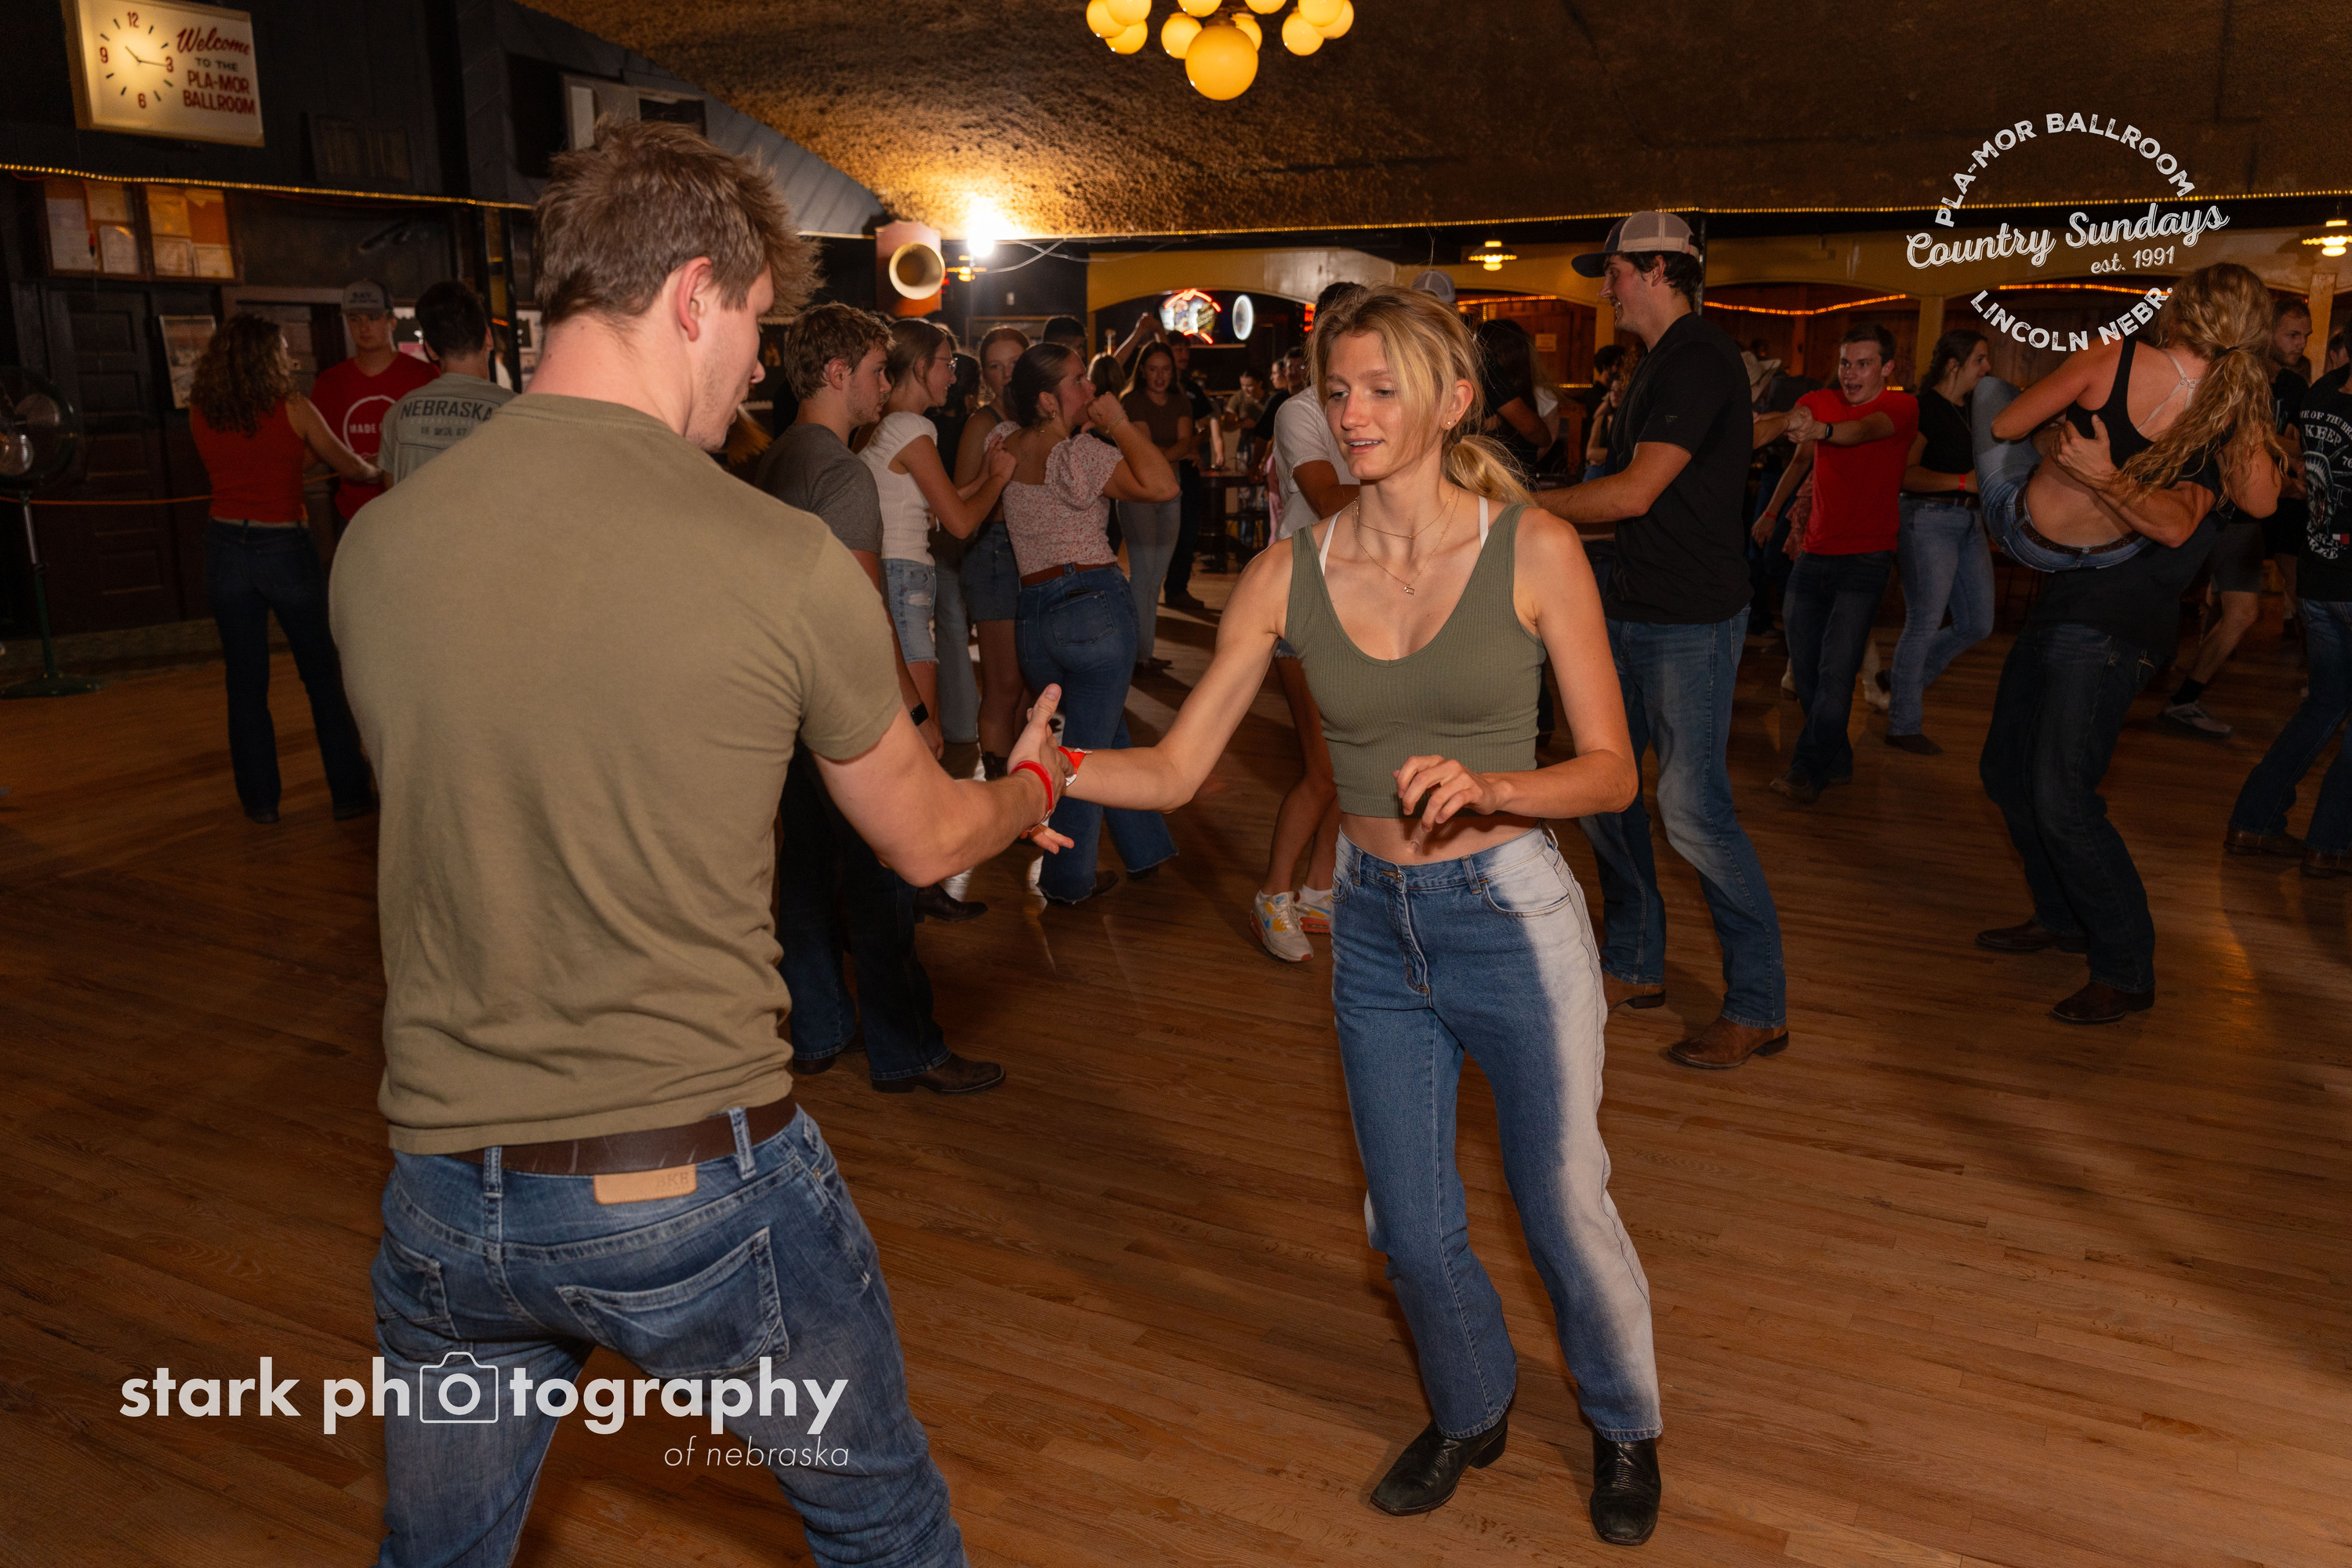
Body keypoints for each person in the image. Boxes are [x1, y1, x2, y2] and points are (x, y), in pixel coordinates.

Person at [332, 118, 1069, 1567]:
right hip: (691, 1192)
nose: (757, 369)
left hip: (446, 1194)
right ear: (692, 294)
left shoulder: (377, 549)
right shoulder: (779, 560)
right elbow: (925, 839)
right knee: (885, 1532)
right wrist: (1031, 787)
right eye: (755, 325)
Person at [1051, 285, 1664, 1547]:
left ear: (1454, 401)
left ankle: (1622, 1425)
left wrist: (1497, 785)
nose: (1353, 412)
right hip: (1372, 920)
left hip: (1511, 914)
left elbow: (1613, 773)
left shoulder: (1533, 548)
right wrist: (1041, 774)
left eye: (1383, 389)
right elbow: (1174, 770)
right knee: (1408, 1224)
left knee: (1560, 1202)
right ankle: (1471, 1406)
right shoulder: (1288, 574)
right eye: (1338, 390)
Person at [1973, 262, 2285, 1025]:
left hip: (2120, 620)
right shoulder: (2171, 390)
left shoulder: (2224, 417)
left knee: (2062, 795)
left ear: (2181, 313)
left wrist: (2106, 472)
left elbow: (2227, 510)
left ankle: (2124, 966)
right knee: (2005, 772)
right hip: (2069, 597)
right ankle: (2062, 915)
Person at [1536, 211, 1789, 1069]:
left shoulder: (1699, 357)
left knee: (1693, 812)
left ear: (1655, 270)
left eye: (1612, 272)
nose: (1604, 289)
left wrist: (1516, 509)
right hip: (1632, 606)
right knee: (1605, 791)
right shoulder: (1657, 363)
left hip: (1690, 621)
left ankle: (1758, 1005)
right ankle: (1636, 962)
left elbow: (1634, 493)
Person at [760, 302, 1005, 1091]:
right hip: (842, 702)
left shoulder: (776, 459)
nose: (882, 383)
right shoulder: (841, 473)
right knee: (881, 876)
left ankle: (820, 1029)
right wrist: (918, 715)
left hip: (786, 696)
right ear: (838, 374)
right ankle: (910, 1050)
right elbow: (868, 611)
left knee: (806, 871)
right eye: (873, 370)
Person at [986, 343, 1180, 904]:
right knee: (1086, 756)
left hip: (1033, 617)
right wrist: (1118, 422)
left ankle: (1146, 848)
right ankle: (1068, 880)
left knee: (1103, 731)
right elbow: (1163, 485)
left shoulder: (1004, 444)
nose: (1091, 389)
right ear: (1048, 400)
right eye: (1078, 380)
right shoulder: (1080, 454)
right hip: (1092, 607)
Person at [185, 312, 381, 825]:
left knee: (245, 683)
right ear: (268, 357)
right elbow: (349, 466)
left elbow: (255, 464)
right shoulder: (293, 406)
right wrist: (375, 467)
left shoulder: (202, 409)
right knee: (320, 676)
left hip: (224, 546)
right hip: (283, 547)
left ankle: (261, 803)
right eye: (283, 350)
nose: (289, 357)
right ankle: (348, 795)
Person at [1254, 279, 1367, 960]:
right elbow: (1326, 497)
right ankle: (1273, 894)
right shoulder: (1300, 411)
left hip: (1361, 595)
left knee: (1354, 766)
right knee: (1324, 768)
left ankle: (1320, 891)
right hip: (1303, 596)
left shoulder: (1377, 406)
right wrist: (1423, 489)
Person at [1762, 324, 1917, 803]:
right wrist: (1781, 425)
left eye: (1863, 364)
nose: (1850, 373)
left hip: (1867, 559)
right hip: (1813, 554)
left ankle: (1807, 770)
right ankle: (1837, 756)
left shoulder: (1901, 408)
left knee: (1836, 670)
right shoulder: (1821, 400)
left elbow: (1862, 431)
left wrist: (1821, 430)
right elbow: (1797, 424)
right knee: (1806, 670)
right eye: (1846, 363)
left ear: (1887, 368)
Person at [2154, 298, 2312, 739]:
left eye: (2305, 336)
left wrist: (2291, 463)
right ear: (2266, 332)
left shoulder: (2292, 386)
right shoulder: (2237, 375)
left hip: (2243, 515)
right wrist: (2287, 462)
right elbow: (2245, 439)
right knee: (2164, 595)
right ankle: (2134, 675)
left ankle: (2183, 699)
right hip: (2207, 505)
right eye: (2292, 334)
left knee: (2242, 613)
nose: (2300, 344)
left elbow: (2281, 445)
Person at [866, 319, 1016, 754]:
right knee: (922, 737)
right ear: (919, 366)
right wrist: (999, 480)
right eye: (947, 364)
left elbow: (927, 505)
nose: (953, 376)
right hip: (903, 577)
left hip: (888, 573)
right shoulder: (912, 429)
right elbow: (960, 523)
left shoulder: (879, 424)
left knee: (903, 729)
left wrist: (983, 476)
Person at [2227, 368, 2352, 877]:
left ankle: (2254, 822)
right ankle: (2331, 846)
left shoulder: (2321, 393)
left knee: (2324, 705)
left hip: (2319, 578)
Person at [1882, 329, 1994, 753]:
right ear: (1953, 365)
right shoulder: (1923, 408)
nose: (1987, 368)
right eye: (1980, 360)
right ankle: (1903, 725)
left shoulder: (1972, 410)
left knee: (1978, 623)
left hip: (1969, 520)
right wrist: (1964, 482)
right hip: (1927, 519)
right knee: (1924, 622)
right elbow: (1905, 475)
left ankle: (1899, 680)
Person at [953, 326, 1034, 777]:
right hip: (996, 553)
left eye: (1015, 364)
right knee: (1005, 684)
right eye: (995, 367)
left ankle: (1022, 784)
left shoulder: (1041, 416)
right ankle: (1000, 783)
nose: (1006, 375)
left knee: (1028, 683)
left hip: (1034, 553)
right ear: (984, 376)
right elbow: (964, 505)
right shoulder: (982, 425)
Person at [306, 278, 439, 529]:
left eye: (373, 318)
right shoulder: (330, 382)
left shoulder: (424, 376)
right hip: (354, 515)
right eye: (355, 319)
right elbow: (315, 450)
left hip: (412, 510)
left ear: (392, 321)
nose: (363, 327)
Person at [377, 280, 514, 485]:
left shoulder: (396, 416)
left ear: (430, 349)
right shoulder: (516, 412)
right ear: (488, 337)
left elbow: (391, 492)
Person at [1117, 341, 1197, 675]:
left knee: (1155, 577)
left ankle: (1143, 654)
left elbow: (1185, 442)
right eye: (1153, 369)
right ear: (1142, 371)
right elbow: (1148, 445)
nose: (1160, 376)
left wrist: (1159, 457)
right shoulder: (1132, 401)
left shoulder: (1181, 400)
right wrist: (1169, 455)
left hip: (1171, 490)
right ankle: (1137, 656)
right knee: (1142, 574)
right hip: (1139, 490)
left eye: (1166, 369)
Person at [1162, 336, 1218, 615]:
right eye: (1177, 349)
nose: (1183, 354)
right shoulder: (1160, 388)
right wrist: (1180, 449)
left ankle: (1177, 588)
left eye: (1186, 349)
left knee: (1188, 531)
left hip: (1189, 468)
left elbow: (1206, 427)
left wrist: (1192, 445)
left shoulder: (1192, 388)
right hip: (1163, 467)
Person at [1472, 318, 1552, 484]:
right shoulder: (1491, 377)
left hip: (1498, 481)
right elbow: (1533, 430)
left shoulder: (1488, 379)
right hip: (1503, 483)